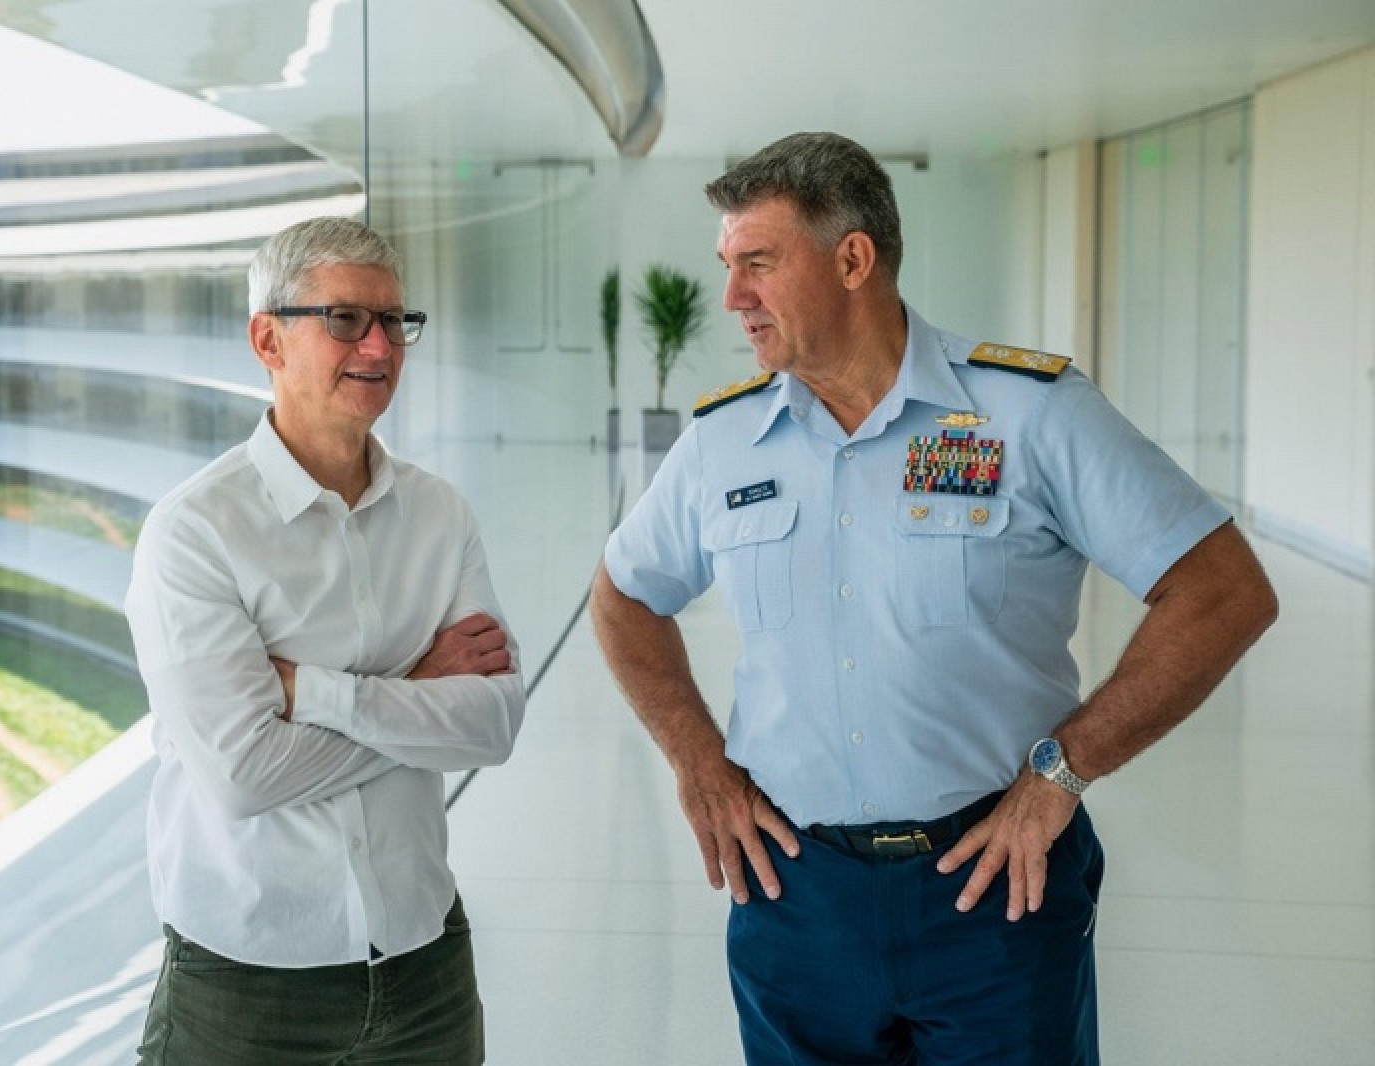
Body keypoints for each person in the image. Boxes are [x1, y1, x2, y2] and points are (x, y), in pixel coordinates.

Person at [590, 132, 1277, 1065]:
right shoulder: (724, 441)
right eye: (727, 266)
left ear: (852, 259)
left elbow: (1223, 590)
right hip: (796, 899)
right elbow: (624, 595)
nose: (731, 298)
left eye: (757, 263)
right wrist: (699, 763)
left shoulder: (1026, 413)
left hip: (997, 889)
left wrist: (1062, 771)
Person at [125, 216, 525, 1065]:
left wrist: (312, 691)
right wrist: (418, 691)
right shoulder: (194, 532)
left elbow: (491, 727)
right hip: (244, 983)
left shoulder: (440, 514)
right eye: (345, 319)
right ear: (267, 338)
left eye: (394, 320)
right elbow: (243, 775)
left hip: (424, 961)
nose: (379, 346)